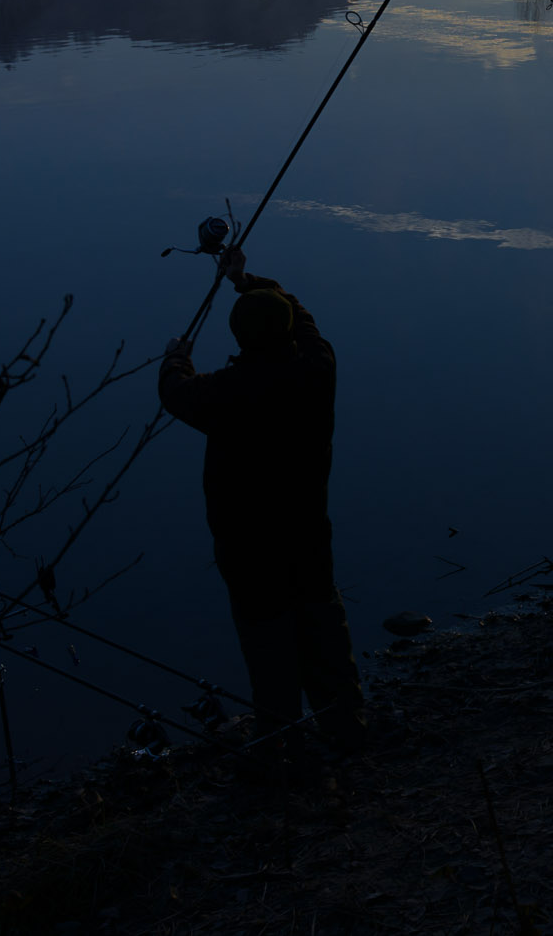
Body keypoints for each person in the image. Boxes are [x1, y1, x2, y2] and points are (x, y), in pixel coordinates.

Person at [159, 246, 366, 761]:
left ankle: (279, 746)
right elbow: (305, 318)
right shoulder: (320, 368)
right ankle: (347, 728)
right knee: (323, 625)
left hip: (248, 547)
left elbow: (174, 393)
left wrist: (175, 358)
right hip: (307, 533)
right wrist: (247, 280)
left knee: (267, 641)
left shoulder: (225, 392)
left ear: (239, 337)